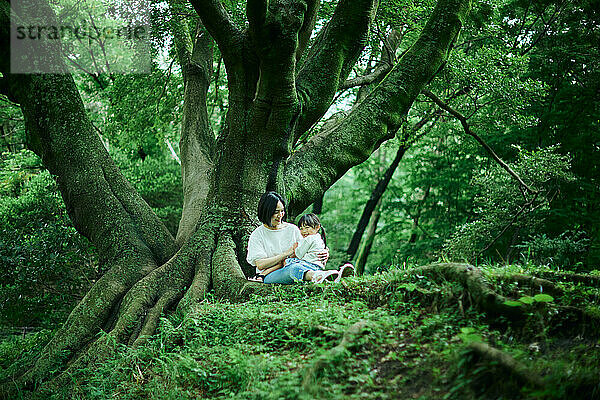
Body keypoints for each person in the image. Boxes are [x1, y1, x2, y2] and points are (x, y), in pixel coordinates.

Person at [246, 192, 338, 284]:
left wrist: (324, 252)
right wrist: (286, 254)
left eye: (282, 211)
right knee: (293, 269)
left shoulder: (293, 229)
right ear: (266, 212)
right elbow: (261, 264)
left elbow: (308, 247)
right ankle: (317, 276)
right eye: (276, 212)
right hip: (270, 275)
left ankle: (326, 276)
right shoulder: (258, 234)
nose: (280, 215)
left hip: (298, 266)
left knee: (295, 267)